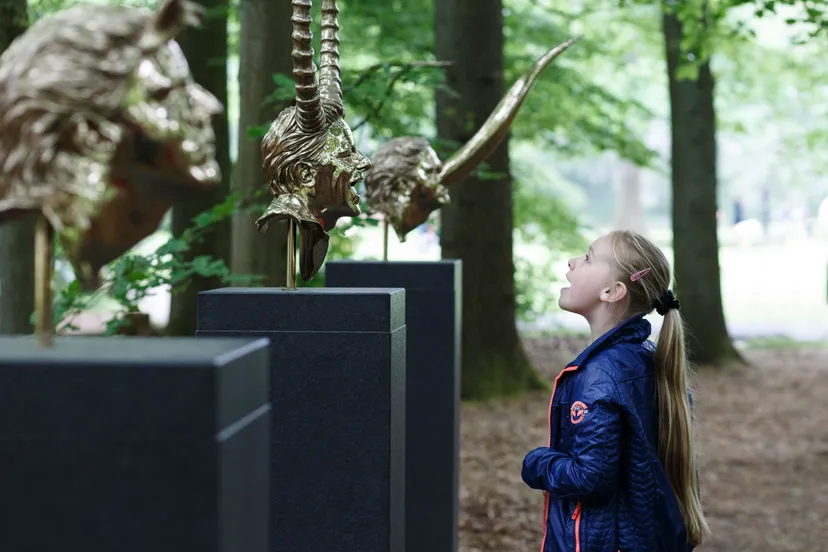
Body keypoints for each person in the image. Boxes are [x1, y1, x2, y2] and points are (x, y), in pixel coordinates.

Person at [521, 230, 709, 552]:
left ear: (612, 291)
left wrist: (537, 462)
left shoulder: (600, 375)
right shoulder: (646, 358)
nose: (572, 261)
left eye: (589, 257)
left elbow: (589, 478)